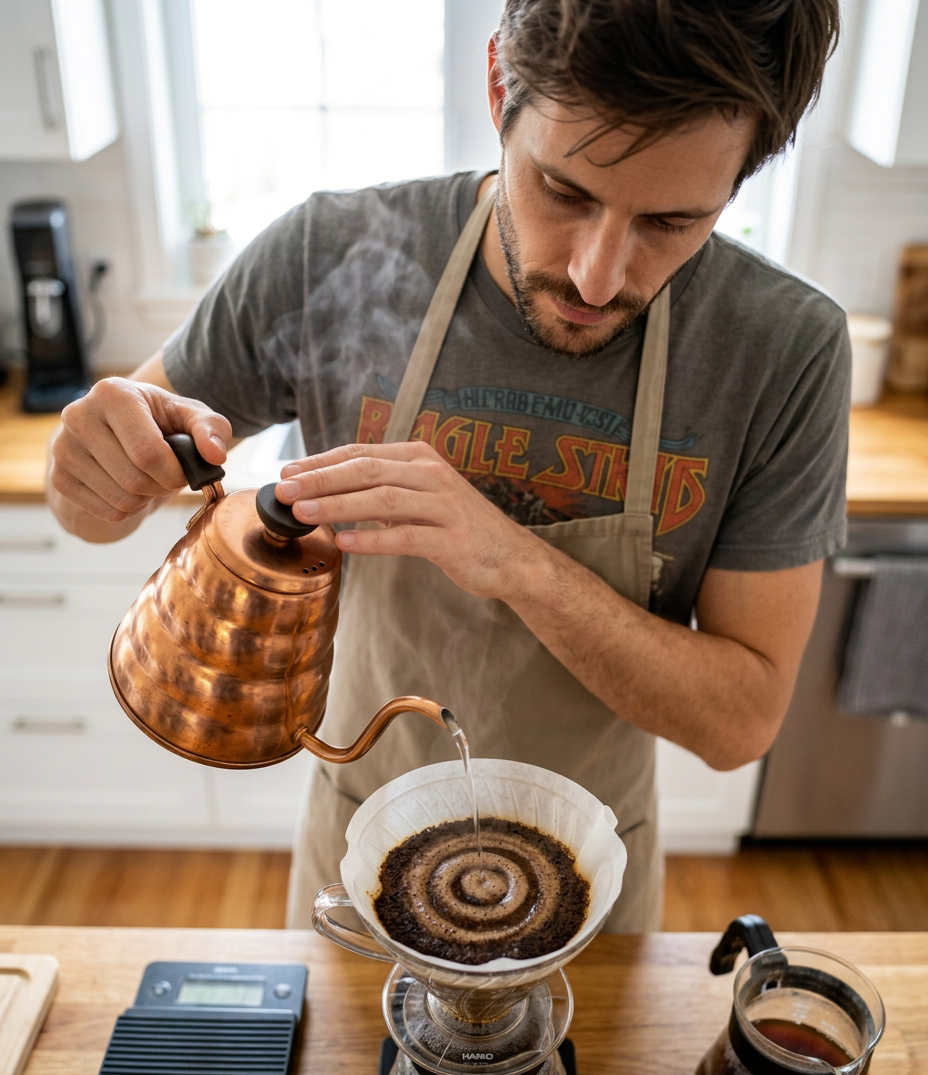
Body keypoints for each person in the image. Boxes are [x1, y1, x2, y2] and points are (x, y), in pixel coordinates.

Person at [48, 0, 847, 931]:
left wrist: (513, 562)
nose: (597, 275)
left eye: (672, 221)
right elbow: (99, 506)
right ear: (501, 85)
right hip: (357, 851)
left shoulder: (782, 350)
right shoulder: (328, 254)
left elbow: (739, 725)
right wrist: (94, 472)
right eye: (564, 191)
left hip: (591, 882)